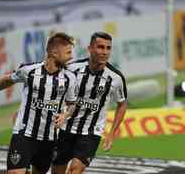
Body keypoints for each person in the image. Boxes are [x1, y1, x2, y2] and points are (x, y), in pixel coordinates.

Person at [0, 32, 77, 174]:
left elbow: (72, 104)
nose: (71, 56)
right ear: (54, 53)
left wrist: (65, 115)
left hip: (49, 139)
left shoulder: (70, 78)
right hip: (24, 134)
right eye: (68, 52)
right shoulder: (29, 71)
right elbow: (8, 80)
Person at [52, 32, 128, 174]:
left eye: (108, 48)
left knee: (75, 170)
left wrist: (111, 133)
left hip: (91, 132)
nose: (104, 52)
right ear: (90, 49)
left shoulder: (116, 78)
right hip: (65, 128)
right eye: (100, 47)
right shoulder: (72, 69)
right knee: (57, 170)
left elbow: (122, 104)